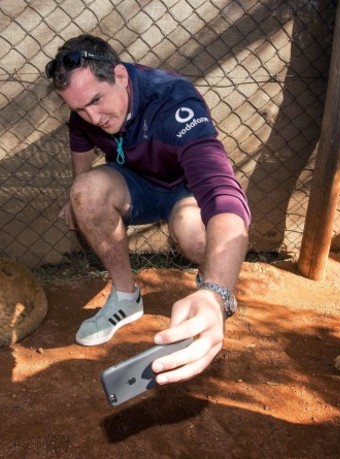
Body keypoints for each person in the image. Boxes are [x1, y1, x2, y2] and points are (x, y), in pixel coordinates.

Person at [46, 34, 251, 384]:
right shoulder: (87, 111)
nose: (93, 117)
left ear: (121, 77)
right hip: (134, 183)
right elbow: (79, 138)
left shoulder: (173, 100)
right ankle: (126, 296)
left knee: (195, 236)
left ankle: (209, 300)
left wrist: (217, 291)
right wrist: (75, 192)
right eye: (79, 109)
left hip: (181, 189)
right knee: (85, 193)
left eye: (97, 100)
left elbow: (221, 192)